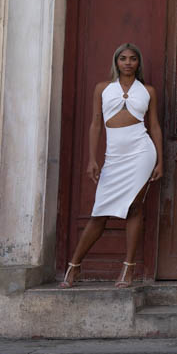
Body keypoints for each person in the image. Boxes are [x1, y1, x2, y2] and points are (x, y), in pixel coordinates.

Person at [60, 42, 164, 288]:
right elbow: (96, 124)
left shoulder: (148, 90)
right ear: (116, 62)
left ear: (138, 63)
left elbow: (155, 125)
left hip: (141, 152)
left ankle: (127, 270)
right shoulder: (102, 89)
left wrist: (160, 160)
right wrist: (92, 159)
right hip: (114, 156)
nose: (128, 62)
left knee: (135, 209)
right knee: (100, 213)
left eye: (132, 59)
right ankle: (73, 267)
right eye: (123, 58)